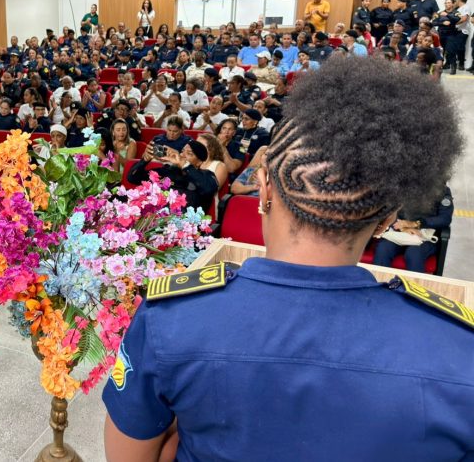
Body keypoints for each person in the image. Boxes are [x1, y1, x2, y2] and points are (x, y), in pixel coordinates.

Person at [103, 56, 471, 462]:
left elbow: (128, 455)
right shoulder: (458, 350)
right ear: (387, 218)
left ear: (263, 189)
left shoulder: (170, 319)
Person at [128, 139, 218, 212]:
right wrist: (144, 160)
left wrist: (184, 165)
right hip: (159, 221)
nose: (182, 155)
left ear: (199, 162)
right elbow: (133, 178)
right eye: (182, 151)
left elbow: (208, 189)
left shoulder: (206, 176)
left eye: (189, 154)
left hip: (189, 224)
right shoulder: (169, 171)